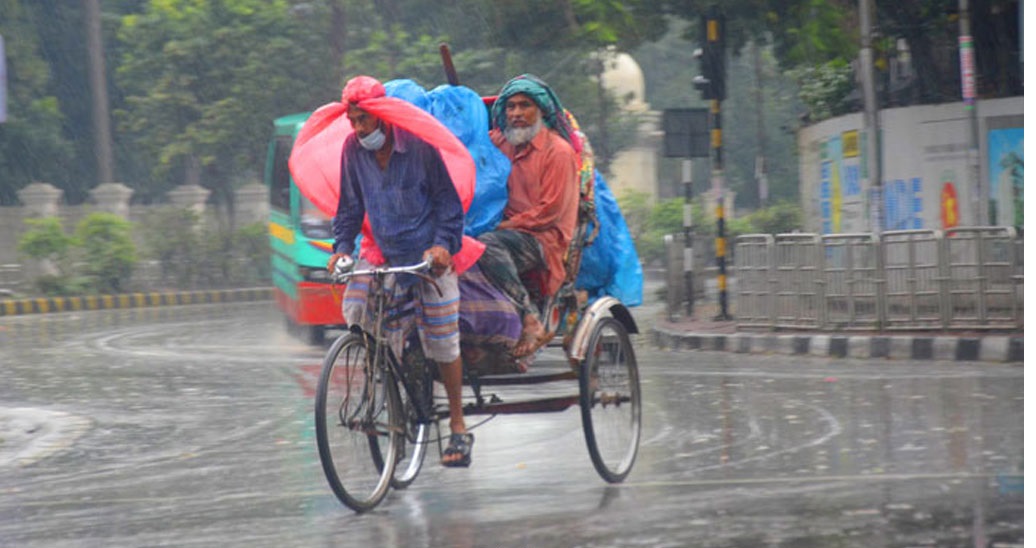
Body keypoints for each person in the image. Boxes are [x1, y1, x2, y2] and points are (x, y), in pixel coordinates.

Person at [325, 76, 474, 468]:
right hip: (381, 253)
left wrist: (442, 245)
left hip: (428, 256)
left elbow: (448, 203)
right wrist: (341, 250)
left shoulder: (420, 147)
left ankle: (457, 425)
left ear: (381, 115)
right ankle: (387, 390)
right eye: (352, 120)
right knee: (357, 312)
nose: (358, 128)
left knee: (443, 340)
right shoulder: (352, 151)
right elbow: (349, 210)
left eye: (364, 119)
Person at [478, 74, 581, 358]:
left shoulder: (557, 152)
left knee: (486, 244)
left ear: (541, 110)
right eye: (510, 107)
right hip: (502, 231)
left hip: (543, 240)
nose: (516, 114)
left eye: (525, 106)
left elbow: (549, 212)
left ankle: (529, 317)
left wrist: (503, 224)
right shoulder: (498, 143)